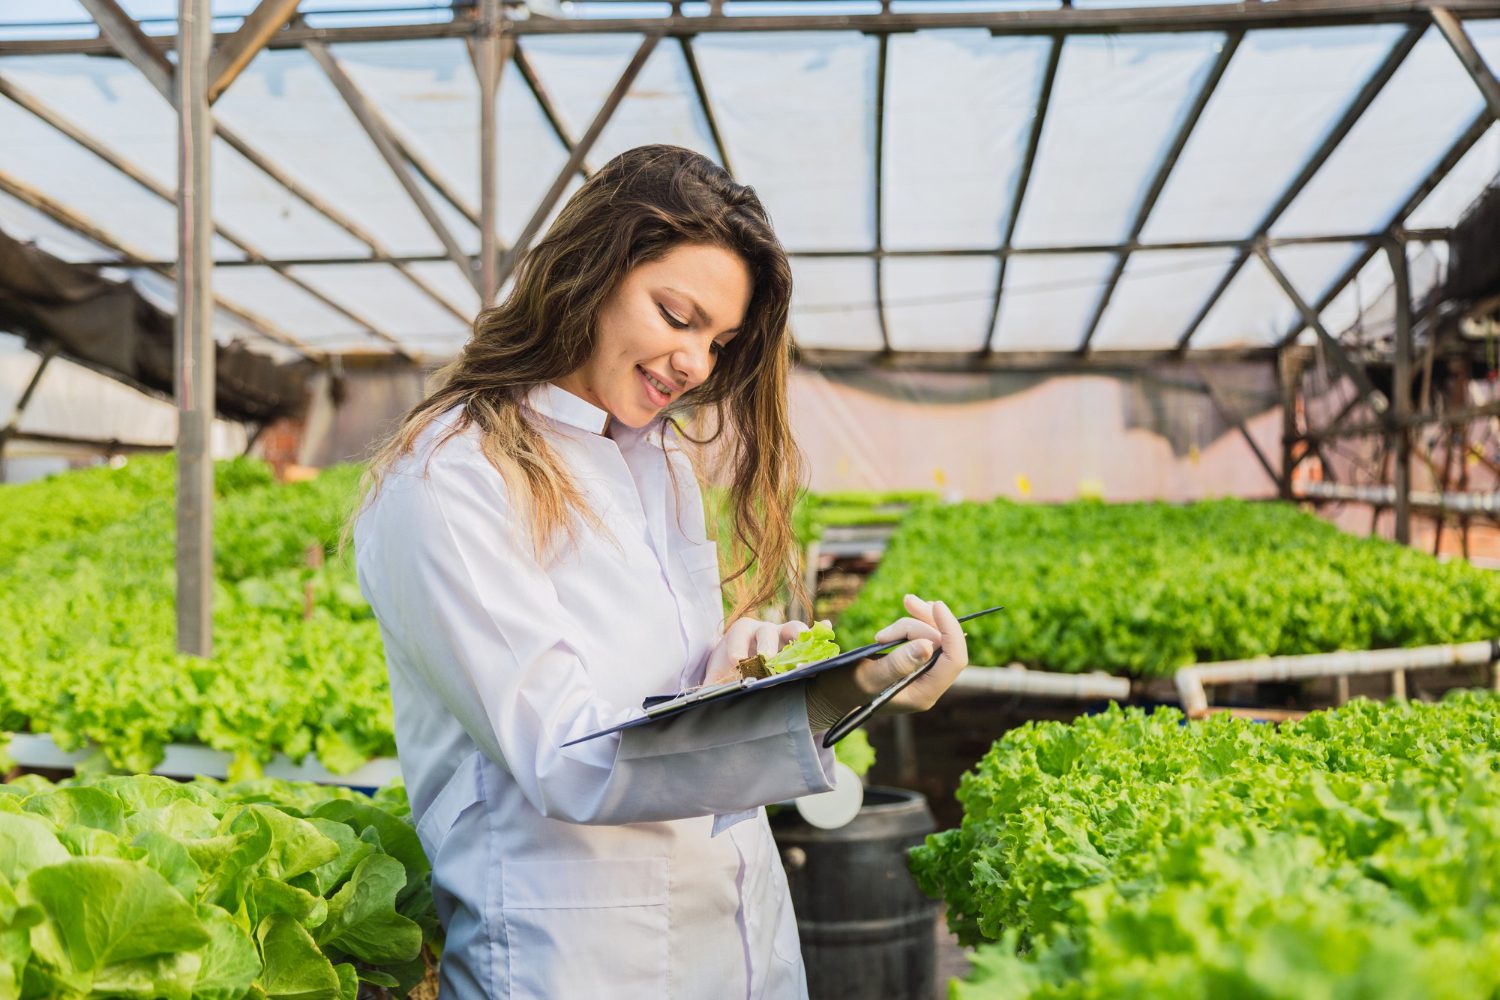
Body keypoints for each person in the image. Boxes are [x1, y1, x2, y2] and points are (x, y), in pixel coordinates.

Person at [351, 144, 970, 999]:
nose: (697, 366)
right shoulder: (454, 476)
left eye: (718, 341)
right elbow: (568, 753)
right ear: (589, 273)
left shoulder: (654, 461)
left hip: (736, 936)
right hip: (575, 960)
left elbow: (663, 697)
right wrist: (834, 693)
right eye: (676, 316)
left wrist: (752, 667)